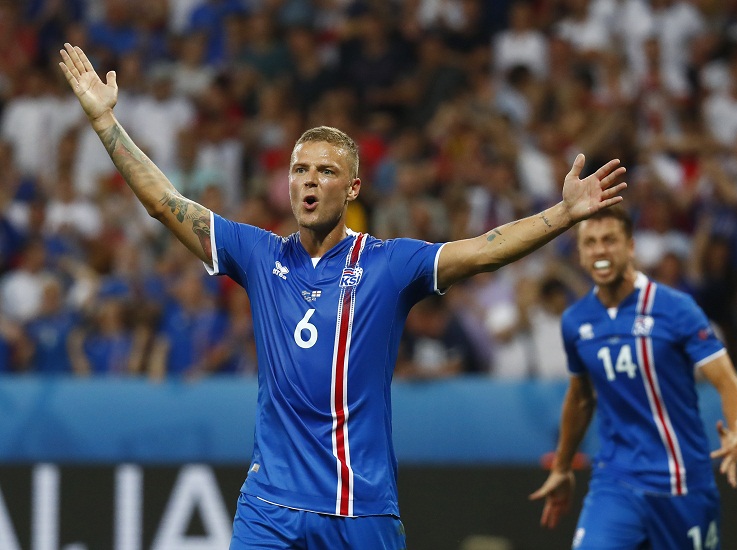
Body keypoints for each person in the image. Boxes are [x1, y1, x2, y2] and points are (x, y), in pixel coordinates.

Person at [58, 42, 627, 549]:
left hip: (358, 509)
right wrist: (106, 122)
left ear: (353, 187)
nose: (309, 180)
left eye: (325, 172)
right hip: (269, 508)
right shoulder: (258, 254)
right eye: (299, 169)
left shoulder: (388, 264)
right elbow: (165, 203)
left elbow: (483, 251)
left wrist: (563, 213)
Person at [529, 207, 737, 550]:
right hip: (616, 481)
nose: (600, 250)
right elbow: (581, 397)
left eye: (609, 240)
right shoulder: (576, 321)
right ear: (580, 253)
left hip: (682, 484)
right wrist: (562, 466)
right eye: (590, 243)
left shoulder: (676, 308)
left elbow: (727, 381)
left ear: (630, 246)